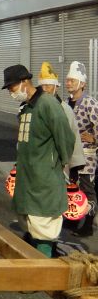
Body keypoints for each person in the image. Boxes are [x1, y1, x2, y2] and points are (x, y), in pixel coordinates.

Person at [2, 64, 74, 257]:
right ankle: (34, 265)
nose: (11, 92)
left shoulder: (48, 104)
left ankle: (43, 268)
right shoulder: (26, 107)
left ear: (25, 81)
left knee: (43, 226)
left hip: (44, 179)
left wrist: (56, 165)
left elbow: (65, 139)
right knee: (30, 222)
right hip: (28, 178)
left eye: (12, 87)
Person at [64, 60, 98, 236]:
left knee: (87, 190)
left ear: (82, 84)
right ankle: (72, 219)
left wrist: (94, 138)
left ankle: (88, 226)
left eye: (72, 80)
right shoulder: (66, 102)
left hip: (87, 156)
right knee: (72, 188)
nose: (68, 83)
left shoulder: (90, 102)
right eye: (67, 80)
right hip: (71, 155)